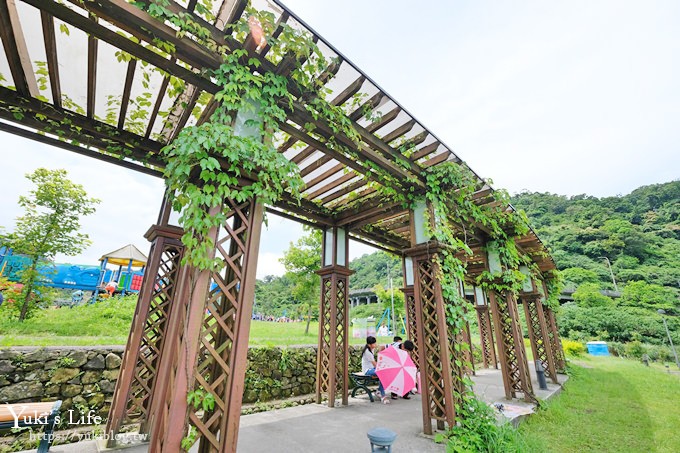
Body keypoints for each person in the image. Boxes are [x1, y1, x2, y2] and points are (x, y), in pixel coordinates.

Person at [361, 336, 390, 404]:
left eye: (375, 343)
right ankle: (383, 396)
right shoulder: (367, 352)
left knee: (384, 372)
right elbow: (375, 364)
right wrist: (382, 367)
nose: (375, 344)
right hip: (367, 371)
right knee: (382, 373)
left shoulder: (372, 349)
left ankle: (379, 391)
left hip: (372, 369)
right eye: (373, 343)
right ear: (369, 345)